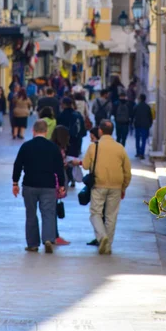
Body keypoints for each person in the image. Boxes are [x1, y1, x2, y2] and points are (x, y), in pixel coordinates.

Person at [12, 119, 66, 253]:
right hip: (48, 185)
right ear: (47, 131)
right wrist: (61, 185)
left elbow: (18, 165)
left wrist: (15, 183)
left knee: (31, 214)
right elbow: (59, 167)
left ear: (33, 131)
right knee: (48, 213)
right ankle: (48, 239)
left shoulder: (26, 146)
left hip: (29, 184)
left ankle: (32, 244)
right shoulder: (53, 147)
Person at [82, 119, 131, 255]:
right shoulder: (120, 147)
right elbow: (127, 171)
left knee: (95, 213)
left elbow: (85, 165)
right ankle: (108, 245)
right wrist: (124, 187)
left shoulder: (94, 146)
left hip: (99, 184)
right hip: (116, 185)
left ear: (100, 131)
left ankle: (102, 236)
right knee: (111, 215)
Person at [50, 125, 71, 246]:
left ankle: (53, 234)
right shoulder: (59, 149)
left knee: (50, 208)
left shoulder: (50, 146)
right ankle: (54, 235)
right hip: (57, 180)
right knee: (52, 209)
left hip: (50, 179)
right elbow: (59, 165)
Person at [57, 97, 86, 165]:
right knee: (74, 160)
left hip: (65, 141)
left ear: (63, 105)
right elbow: (82, 129)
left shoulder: (61, 116)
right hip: (76, 140)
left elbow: (59, 130)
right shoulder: (78, 114)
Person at [133, 94, 153, 159]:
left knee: (137, 139)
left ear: (140, 99)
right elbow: (150, 117)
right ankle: (142, 153)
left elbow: (133, 115)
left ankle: (138, 152)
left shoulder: (136, 106)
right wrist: (150, 124)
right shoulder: (147, 107)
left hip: (138, 125)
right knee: (144, 140)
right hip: (145, 125)